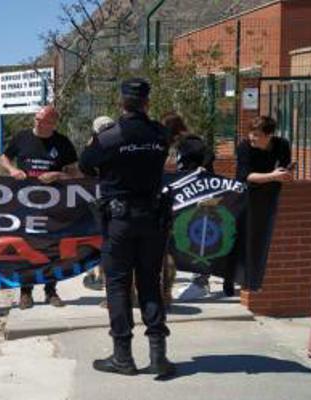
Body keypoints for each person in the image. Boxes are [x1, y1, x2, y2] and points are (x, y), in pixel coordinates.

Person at [79, 78, 176, 379]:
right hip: (152, 218)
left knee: (118, 286)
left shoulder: (110, 137)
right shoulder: (160, 135)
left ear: (122, 102)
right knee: (150, 282)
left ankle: (123, 357)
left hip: (120, 221)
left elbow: (85, 165)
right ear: (146, 102)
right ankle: (158, 357)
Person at [0, 105, 80, 310]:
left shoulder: (62, 143)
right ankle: (26, 292)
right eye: (36, 118)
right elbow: (4, 158)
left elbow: (75, 173)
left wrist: (58, 175)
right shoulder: (22, 137)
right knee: (26, 246)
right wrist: (12, 169)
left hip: (53, 204)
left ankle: (51, 290)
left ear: (52, 123)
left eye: (41, 120)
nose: (36, 122)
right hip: (24, 202)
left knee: (52, 247)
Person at [223, 116, 293, 296]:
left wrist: (286, 174)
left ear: (269, 135)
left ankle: (251, 281)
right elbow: (245, 176)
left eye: (256, 135)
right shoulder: (244, 147)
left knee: (259, 239)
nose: (251, 138)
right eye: (250, 134)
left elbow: (283, 170)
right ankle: (229, 280)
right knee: (238, 237)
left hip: (268, 197)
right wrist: (273, 176)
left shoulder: (282, 145)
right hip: (245, 196)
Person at [163, 113, 217, 301]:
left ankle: (201, 282)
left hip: (200, 194)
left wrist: (202, 167)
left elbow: (209, 154)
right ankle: (199, 279)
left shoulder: (189, 141)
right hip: (192, 194)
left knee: (198, 236)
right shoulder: (181, 145)